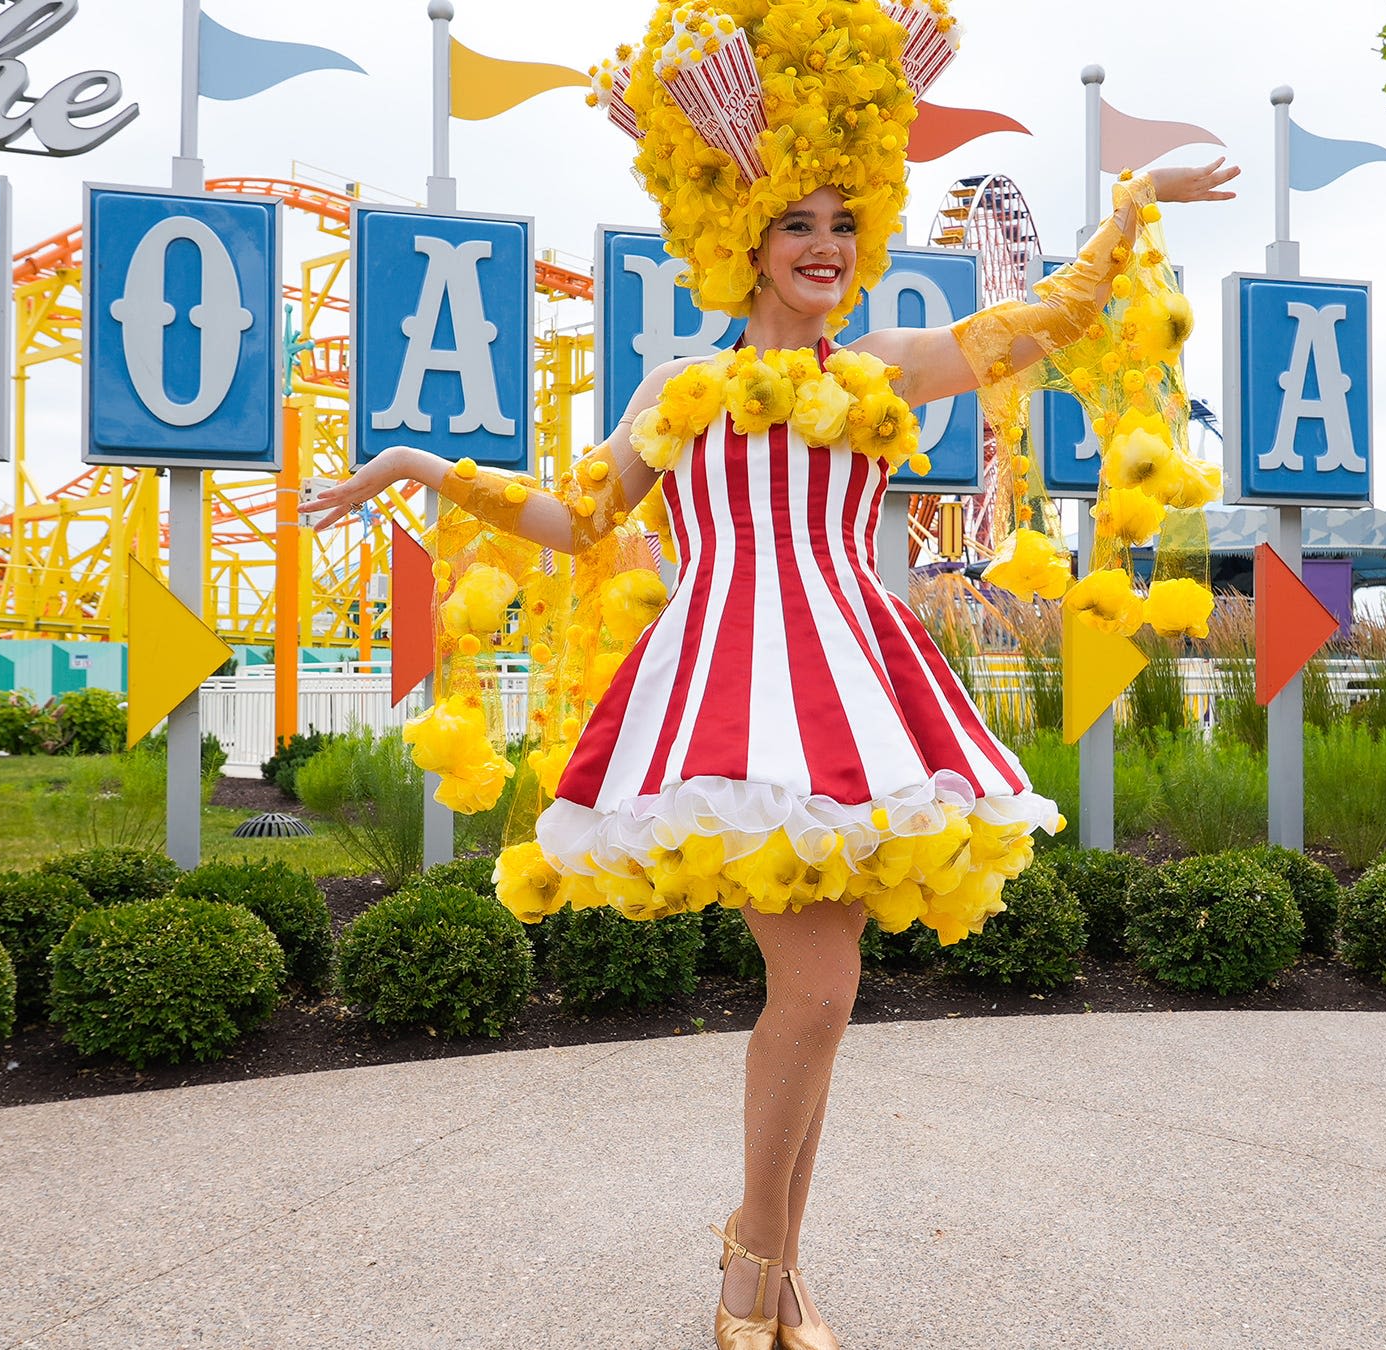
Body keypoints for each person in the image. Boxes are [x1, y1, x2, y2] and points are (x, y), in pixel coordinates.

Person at [302, 6, 1237, 1346]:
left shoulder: (882, 368)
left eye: (842, 223)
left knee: (831, 995)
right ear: (740, 234)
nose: (826, 247)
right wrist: (413, 463)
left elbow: (1043, 322)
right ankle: (753, 1268)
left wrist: (1133, 204)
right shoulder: (677, 392)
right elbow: (578, 522)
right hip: (731, 700)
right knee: (815, 991)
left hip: (858, 689)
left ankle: (773, 1267)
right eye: (799, 223)